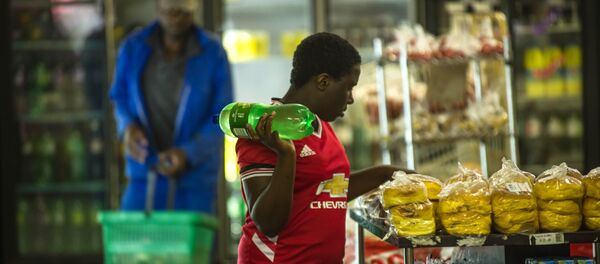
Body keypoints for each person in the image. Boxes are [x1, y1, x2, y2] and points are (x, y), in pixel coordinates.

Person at [235, 32, 413, 263]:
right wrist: (286, 155)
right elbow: (268, 222)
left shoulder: (320, 125)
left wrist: (387, 174)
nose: (350, 99)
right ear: (323, 82)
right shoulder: (264, 128)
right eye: (348, 88)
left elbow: (326, 191)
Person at [109, 0, 233, 212]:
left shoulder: (213, 54)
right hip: (142, 178)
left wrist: (188, 153)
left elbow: (222, 116)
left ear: (193, 11)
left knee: (190, 245)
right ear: (158, 7)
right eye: (169, 11)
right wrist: (128, 127)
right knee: (138, 243)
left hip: (194, 185)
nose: (175, 18)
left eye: (182, 12)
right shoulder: (133, 47)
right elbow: (119, 97)